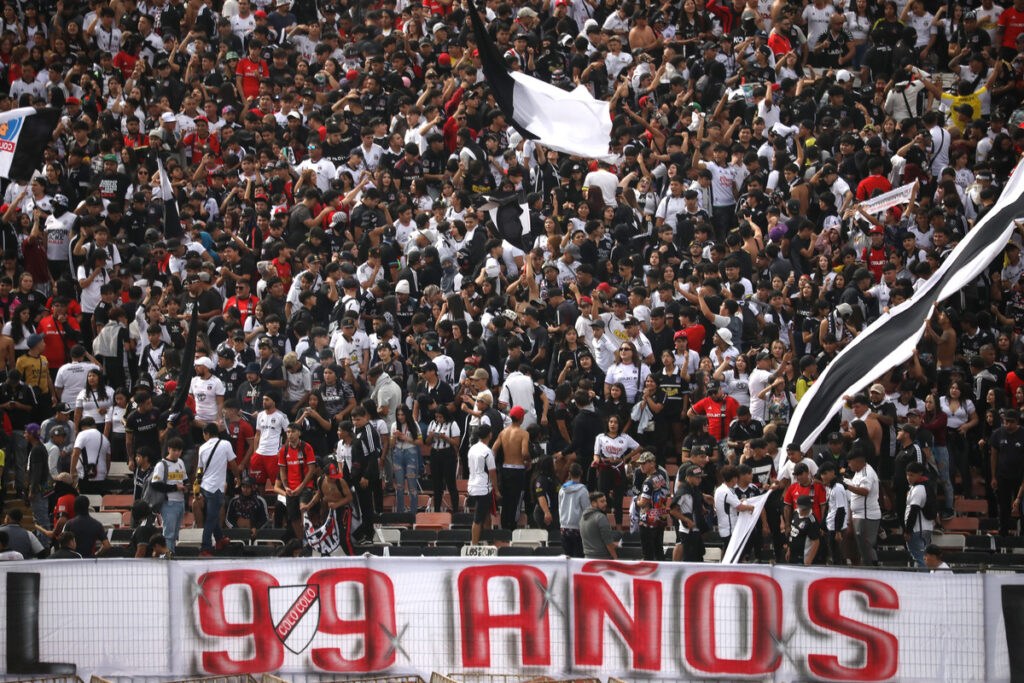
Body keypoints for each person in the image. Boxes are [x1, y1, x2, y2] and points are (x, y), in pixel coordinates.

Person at [275, 422, 317, 546]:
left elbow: (312, 470)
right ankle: (302, 542)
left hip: (305, 486)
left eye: (293, 432)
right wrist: (286, 486)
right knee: (293, 517)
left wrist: (301, 486)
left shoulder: (306, 447)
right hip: (290, 488)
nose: (290, 434)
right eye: (288, 432)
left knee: (303, 508)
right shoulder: (283, 450)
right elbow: (282, 471)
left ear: (299, 433)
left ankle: (309, 539)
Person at [196, 423, 234, 557]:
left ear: (206, 434)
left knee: (212, 514)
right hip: (216, 487)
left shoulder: (202, 448)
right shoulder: (225, 444)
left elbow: (199, 469)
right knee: (212, 518)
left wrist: (198, 483)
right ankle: (205, 548)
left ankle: (219, 539)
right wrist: (238, 477)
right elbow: (233, 463)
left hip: (205, 486)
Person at [495, 405, 530, 530]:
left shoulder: (503, 432)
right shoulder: (524, 434)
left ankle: (504, 527)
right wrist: (529, 461)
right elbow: (525, 453)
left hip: (505, 469)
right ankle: (512, 527)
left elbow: (493, 450)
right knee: (516, 501)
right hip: (518, 469)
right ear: (521, 419)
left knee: (506, 501)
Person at [150, 437, 188, 552]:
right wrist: (174, 488)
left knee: (175, 534)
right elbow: (155, 484)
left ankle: (171, 555)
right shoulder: (162, 465)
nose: (177, 453)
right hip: (169, 503)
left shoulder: (181, 462)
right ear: (169, 449)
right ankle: (167, 558)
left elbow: (185, 479)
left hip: (180, 502)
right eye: (174, 450)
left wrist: (187, 487)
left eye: (179, 450)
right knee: (169, 534)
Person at [844, 451, 881, 565]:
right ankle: (868, 568)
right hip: (859, 514)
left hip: (866, 515)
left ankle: (873, 569)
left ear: (856, 461)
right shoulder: (858, 472)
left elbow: (865, 491)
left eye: (850, 462)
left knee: (866, 545)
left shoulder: (866, 473)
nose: (849, 465)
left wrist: (847, 486)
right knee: (862, 547)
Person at [635, 452, 672, 560]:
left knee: (648, 554)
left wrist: (637, 500)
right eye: (640, 464)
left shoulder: (648, 481)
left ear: (652, 463)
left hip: (648, 520)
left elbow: (643, 502)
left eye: (644, 463)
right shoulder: (661, 477)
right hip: (660, 518)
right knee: (659, 551)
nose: (641, 466)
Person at [466, 427, 499, 545]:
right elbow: (492, 472)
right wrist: (497, 490)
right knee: (478, 518)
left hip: (472, 485)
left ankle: (489, 541)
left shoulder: (472, 449)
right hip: (483, 488)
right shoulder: (487, 451)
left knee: (485, 515)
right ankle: (473, 545)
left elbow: (470, 468)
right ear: (489, 435)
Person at [995, 409, 1024, 536]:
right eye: (1006, 421)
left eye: (1011, 422)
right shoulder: (998, 433)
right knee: (1004, 506)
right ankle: (1003, 532)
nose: (1008, 424)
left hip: (1020, 475)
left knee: (1022, 506)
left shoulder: (1022, 434)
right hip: (1003, 475)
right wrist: (993, 476)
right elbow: (993, 455)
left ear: (1017, 422)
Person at [670, 466, 709, 562]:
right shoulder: (683, 491)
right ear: (688, 477)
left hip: (696, 529)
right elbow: (673, 511)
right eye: (697, 477)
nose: (699, 480)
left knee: (699, 556)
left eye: (700, 477)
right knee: (689, 558)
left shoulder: (695, 490)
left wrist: (702, 511)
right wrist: (686, 520)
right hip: (687, 531)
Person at [904, 461, 935, 567]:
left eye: (912, 475)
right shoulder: (924, 486)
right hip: (925, 529)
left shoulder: (918, 489)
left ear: (920, 474)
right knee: (922, 558)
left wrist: (908, 531)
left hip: (917, 530)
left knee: (920, 559)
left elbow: (914, 510)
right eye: (907, 474)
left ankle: (923, 582)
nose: (908, 477)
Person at [558, 462, 589, 556]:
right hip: (577, 528)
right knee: (578, 556)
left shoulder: (562, 490)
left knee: (567, 555)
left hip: (564, 526)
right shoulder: (583, 490)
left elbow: (560, 506)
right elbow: (586, 509)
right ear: (581, 473)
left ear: (569, 474)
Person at [581, 491, 617, 559]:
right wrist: (615, 559)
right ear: (593, 503)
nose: (605, 503)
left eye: (605, 501)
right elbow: (608, 542)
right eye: (602, 501)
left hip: (587, 558)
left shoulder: (582, 517)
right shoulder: (601, 518)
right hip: (602, 559)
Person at [787, 495, 821, 566]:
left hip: (803, 557)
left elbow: (816, 542)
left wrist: (809, 561)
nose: (804, 511)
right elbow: (792, 533)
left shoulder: (812, 521)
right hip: (793, 554)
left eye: (806, 509)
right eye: (803, 509)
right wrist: (789, 550)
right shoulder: (795, 513)